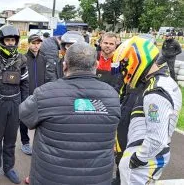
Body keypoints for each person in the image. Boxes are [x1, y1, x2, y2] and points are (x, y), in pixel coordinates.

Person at [20, 42, 120, 185]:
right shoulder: (112, 96)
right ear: (96, 65)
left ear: (65, 65)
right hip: (97, 179)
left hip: (51, 178)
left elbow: (25, 115)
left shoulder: (45, 93)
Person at [111, 36, 182, 185]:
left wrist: (136, 159)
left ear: (135, 60)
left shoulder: (155, 91)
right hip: (145, 158)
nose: (123, 72)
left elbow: (157, 138)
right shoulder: (158, 81)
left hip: (142, 164)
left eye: (124, 66)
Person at [0, 25, 29, 185]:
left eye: (13, 40)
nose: (10, 43)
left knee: (10, 139)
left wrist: (23, 105)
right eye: (7, 40)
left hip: (14, 103)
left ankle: (9, 168)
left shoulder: (22, 60)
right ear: (2, 41)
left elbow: (25, 84)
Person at [20, 34, 46, 156]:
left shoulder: (43, 59)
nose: (36, 45)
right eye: (33, 43)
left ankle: (39, 143)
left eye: (38, 43)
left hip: (40, 95)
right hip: (26, 94)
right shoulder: (23, 59)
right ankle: (25, 142)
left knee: (41, 120)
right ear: (29, 44)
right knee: (24, 120)